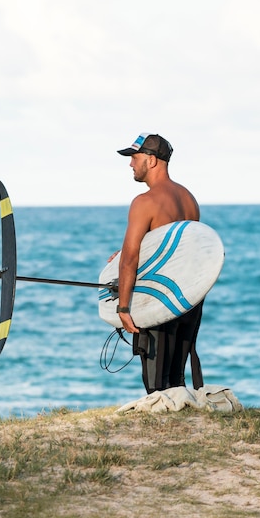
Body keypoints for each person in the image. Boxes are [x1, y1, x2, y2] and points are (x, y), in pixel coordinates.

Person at [113, 132, 204, 393]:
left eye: (134, 157)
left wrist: (123, 307)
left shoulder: (145, 202)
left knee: (156, 386)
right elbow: (171, 248)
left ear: (151, 160)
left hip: (159, 300)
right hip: (188, 300)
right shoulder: (188, 199)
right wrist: (119, 255)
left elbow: (131, 258)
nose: (131, 164)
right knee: (177, 379)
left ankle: (163, 430)